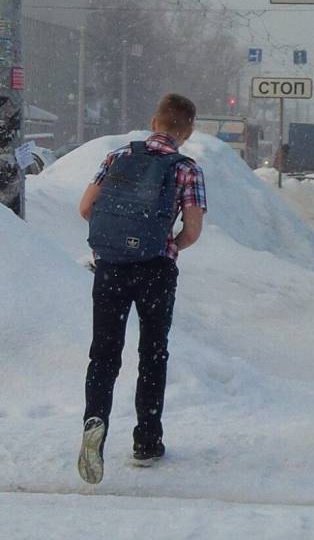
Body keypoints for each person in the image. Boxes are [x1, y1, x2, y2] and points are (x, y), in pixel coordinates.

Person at [77, 93, 207, 484]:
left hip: (111, 266)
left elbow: (86, 208)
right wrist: (170, 246)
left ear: (155, 122)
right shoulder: (186, 168)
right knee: (152, 352)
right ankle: (146, 441)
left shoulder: (118, 157)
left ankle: (95, 420)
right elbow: (193, 229)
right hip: (155, 270)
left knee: (104, 353)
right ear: (187, 131)